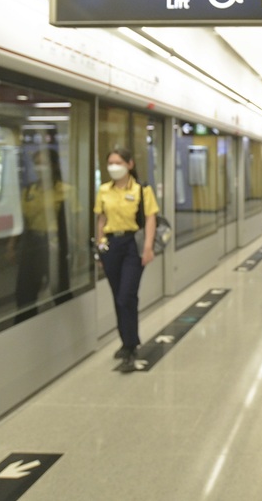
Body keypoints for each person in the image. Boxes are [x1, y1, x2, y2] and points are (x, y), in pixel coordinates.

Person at [94, 147, 158, 372]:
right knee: (117, 296)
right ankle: (126, 341)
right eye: (110, 163)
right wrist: (100, 247)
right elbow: (101, 220)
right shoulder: (104, 190)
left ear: (130, 164)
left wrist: (148, 247)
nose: (114, 167)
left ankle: (131, 346)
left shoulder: (142, 190)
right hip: (111, 245)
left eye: (118, 162)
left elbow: (150, 219)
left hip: (133, 245)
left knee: (126, 295)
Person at [12, 148, 71, 324]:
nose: (39, 167)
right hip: (31, 244)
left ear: (54, 165)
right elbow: (21, 221)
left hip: (53, 245)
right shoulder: (29, 191)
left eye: (43, 163)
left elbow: (73, 223)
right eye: (37, 164)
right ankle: (25, 327)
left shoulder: (65, 190)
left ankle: (68, 325)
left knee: (59, 290)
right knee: (24, 292)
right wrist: (11, 245)